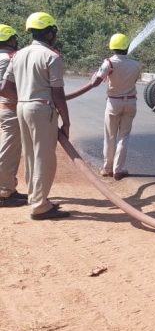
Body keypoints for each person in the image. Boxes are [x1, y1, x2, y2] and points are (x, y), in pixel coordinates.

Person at [0, 12, 70, 220]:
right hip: (42, 109)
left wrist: (26, 97)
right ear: (50, 34)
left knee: (30, 154)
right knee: (44, 157)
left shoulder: (18, 55)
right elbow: (58, 93)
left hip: (21, 107)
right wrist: (66, 121)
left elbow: (5, 87)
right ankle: (40, 205)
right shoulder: (52, 57)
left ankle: (34, 197)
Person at [66, 33, 141, 180]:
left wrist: (96, 76)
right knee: (123, 137)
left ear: (112, 47)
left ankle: (107, 168)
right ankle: (118, 169)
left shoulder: (109, 63)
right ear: (127, 47)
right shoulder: (136, 65)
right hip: (131, 102)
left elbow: (96, 82)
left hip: (114, 102)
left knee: (110, 136)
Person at [0, 24, 26, 207]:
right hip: (11, 108)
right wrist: (25, 99)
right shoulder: (7, 58)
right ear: (10, 39)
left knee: (12, 149)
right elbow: (2, 87)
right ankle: (3, 192)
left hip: (8, 108)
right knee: (9, 150)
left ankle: (9, 187)